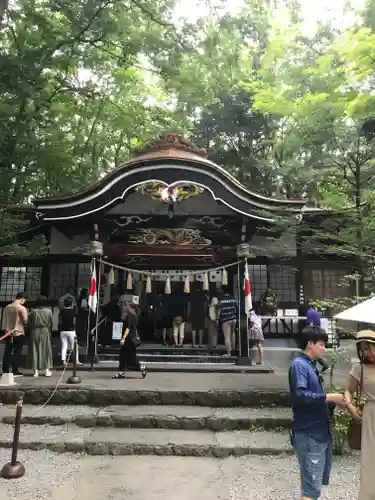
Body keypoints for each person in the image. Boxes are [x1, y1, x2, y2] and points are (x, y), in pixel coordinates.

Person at [289, 325, 346, 500]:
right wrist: (328, 397)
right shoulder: (300, 365)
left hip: (316, 431)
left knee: (309, 484)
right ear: (310, 344)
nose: (324, 348)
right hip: (309, 432)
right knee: (311, 488)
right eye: (321, 344)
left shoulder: (310, 365)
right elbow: (301, 395)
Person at [344, 329, 375, 500]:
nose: (367, 353)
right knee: (370, 459)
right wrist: (350, 406)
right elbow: (348, 390)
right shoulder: (359, 369)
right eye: (363, 349)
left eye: (369, 348)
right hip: (371, 415)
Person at [113, 302, 146, 379]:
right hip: (131, 339)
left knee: (129, 357)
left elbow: (128, 328)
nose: (124, 308)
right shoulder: (135, 316)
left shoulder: (130, 316)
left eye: (126, 306)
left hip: (129, 339)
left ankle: (141, 367)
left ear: (130, 308)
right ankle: (121, 372)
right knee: (124, 356)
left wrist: (123, 338)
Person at [1, 292, 28, 376]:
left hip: (7, 333)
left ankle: (5, 370)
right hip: (18, 332)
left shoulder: (7, 307)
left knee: (7, 352)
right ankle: (15, 370)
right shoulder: (22, 308)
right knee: (17, 352)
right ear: (22, 299)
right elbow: (25, 320)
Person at [28, 296, 53, 377]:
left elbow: (30, 323)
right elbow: (50, 323)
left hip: (34, 331)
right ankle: (47, 370)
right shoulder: (49, 312)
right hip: (45, 331)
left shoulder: (32, 312)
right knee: (46, 350)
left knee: (34, 350)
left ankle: (35, 371)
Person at [305, 301, 329, 373]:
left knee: (312, 350)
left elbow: (310, 324)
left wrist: (309, 333)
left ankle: (324, 364)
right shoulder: (315, 311)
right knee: (315, 351)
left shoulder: (310, 312)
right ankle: (322, 365)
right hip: (318, 331)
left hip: (314, 333)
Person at [59, 297, 81, 366]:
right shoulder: (73, 312)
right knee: (74, 346)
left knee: (64, 346)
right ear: (71, 304)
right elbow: (74, 321)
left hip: (63, 331)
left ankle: (63, 361)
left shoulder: (61, 311)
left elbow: (60, 321)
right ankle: (76, 360)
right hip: (71, 331)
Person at [217, 285, 238, 356]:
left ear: (222, 291)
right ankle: (234, 348)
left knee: (227, 337)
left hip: (225, 319)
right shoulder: (233, 298)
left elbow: (219, 310)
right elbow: (236, 308)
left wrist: (217, 318)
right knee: (233, 333)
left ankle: (229, 352)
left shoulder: (221, 299)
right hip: (233, 318)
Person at [189, 282, 208, 347]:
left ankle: (193, 344)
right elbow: (205, 304)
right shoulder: (203, 294)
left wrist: (189, 313)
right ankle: (200, 344)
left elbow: (189, 304)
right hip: (201, 312)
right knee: (201, 329)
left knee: (194, 328)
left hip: (193, 312)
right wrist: (205, 312)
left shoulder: (192, 294)